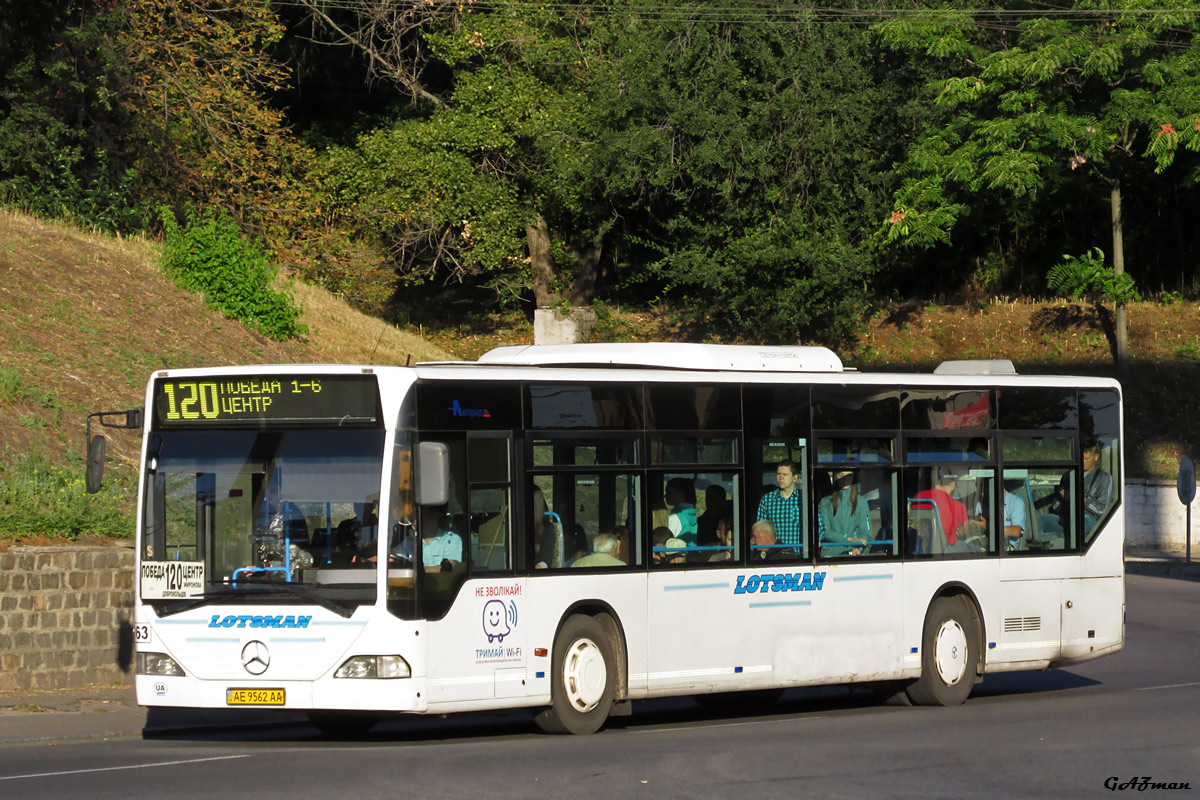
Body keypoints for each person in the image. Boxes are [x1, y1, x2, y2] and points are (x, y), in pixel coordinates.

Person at [756, 459, 813, 549]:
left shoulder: (805, 499)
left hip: (800, 556)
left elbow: (819, 527)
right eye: (778, 474)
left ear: (795, 478)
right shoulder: (767, 500)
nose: (781, 477)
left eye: (785, 474)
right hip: (775, 556)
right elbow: (760, 530)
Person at [818, 469, 872, 555]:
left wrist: (858, 548)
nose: (845, 479)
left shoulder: (861, 502)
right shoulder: (825, 502)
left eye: (849, 475)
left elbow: (866, 533)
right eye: (841, 475)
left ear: (853, 477)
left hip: (854, 555)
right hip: (831, 554)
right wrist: (848, 539)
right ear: (835, 476)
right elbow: (825, 532)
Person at [913, 467, 971, 547]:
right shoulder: (959, 506)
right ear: (953, 484)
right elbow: (965, 531)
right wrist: (957, 530)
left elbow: (912, 520)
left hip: (920, 544)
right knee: (976, 549)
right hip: (946, 548)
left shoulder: (919, 497)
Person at [665, 477, 698, 545]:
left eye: (669, 492)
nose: (665, 495)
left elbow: (667, 543)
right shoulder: (691, 514)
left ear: (681, 493)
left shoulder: (675, 517)